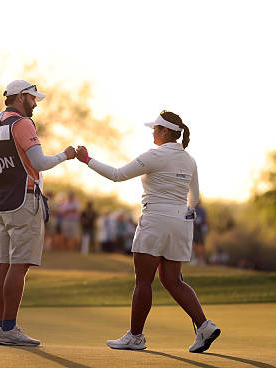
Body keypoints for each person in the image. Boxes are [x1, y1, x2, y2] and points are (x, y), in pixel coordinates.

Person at [76, 110, 220, 353]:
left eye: (155, 129)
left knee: (144, 280)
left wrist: (87, 159)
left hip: (155, 220)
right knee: (172, 280)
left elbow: (117, 175)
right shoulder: (189, 159)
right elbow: (194, 198)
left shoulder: (154, 155)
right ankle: (204, 326)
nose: (153, 132)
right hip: (181, 222)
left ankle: (135, 337)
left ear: (165, 131)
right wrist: (180, 216)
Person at [0, 79, 76, 346]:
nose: (35, 104)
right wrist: (66, 155)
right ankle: (9, 328)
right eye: (33, 98)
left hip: (3, 201)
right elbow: (39, 162)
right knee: (18, 266)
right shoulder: (22, 123)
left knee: (3, 266)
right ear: (20, 97)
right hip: (25, 200)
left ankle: (0, 327)